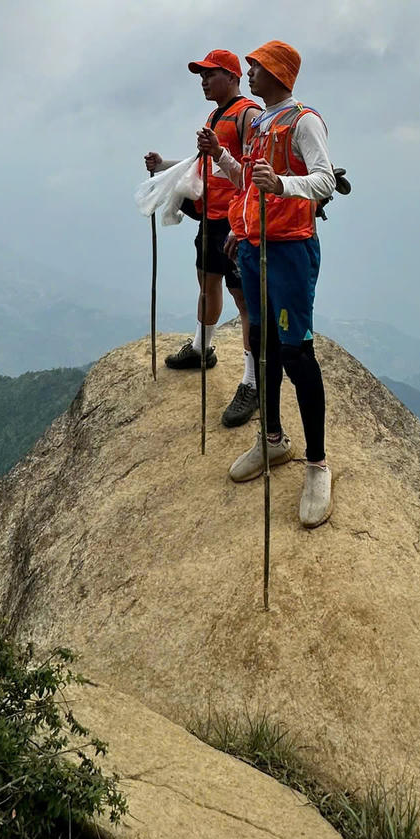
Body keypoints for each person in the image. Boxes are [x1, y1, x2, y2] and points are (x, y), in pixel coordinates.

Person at [197, 40, 336, 528]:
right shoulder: (258, 123)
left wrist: (281, 184)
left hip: (290, 249)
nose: (250, 74)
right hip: (256, 246)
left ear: (278, 72)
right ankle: (272, 440)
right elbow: (247, 181)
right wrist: (222, 159)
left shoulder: (304, 121)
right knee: (264, 346)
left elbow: (320, 179)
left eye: (255, 67)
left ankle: (317, 465)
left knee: (297, 353)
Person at [145, 50, 261, 426]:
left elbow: (257, 169)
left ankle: (252, 382)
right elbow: (202, 163)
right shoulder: (215, 115)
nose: (203, 82)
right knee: (206, 283)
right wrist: (163, 165)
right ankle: (201, 347)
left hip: (238, 222)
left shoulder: (248, 115)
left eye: (210, 75)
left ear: (231, 76)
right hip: (211, 217)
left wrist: (219, 151)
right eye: (201, 77)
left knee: (245, 301)